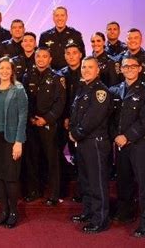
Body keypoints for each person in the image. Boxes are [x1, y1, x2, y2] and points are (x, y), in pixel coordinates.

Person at [109, 56, 145, 238]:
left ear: (139, 69)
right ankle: (126, 213)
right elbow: (111, 119)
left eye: (132, 66)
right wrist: (116, 136)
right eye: (125, 66)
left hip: (139, 143)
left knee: (144, 183)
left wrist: (127, 136)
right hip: (120, 145)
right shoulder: (114, 91)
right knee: (124, 181)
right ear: (121, 69)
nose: (129, 69)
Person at [69, 56, 112, 234]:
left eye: (90, 67)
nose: (86, 70)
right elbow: (75, 114)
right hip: (83, 143)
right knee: (85, 181)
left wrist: (76, 133)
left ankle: (100, 219)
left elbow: (92, 118)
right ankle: (88, 212)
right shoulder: (83, 88)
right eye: (84, 67)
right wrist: (73, 131)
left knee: (97, 182)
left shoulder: (100, 92)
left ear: (97, 70)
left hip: (94, 142)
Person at [0, 57, 28, 228]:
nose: (4, 71)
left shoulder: (18, 90)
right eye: (1, 68)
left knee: (10, 177)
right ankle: (3, 211)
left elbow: (23, 116)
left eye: (7, 68)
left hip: (11, 139)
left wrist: (19, 141)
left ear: (12, 71)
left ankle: (13, 212)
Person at [22, 47, 66, 205]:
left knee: (52, 160)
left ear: (50, 59)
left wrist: (46, 119)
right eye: (38, 56)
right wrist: (31, 119)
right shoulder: (27, 76)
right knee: (32, 159)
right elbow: (24, 99)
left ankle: (54, 194)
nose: (41, 59)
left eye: (44, 56)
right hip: (32, 124)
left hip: (49, 126)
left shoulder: (57, 78)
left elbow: (60, 103)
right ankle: (34, 191)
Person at [59, 42, 84, 198]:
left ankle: (82, 191)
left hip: (83, 123)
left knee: (82, 157)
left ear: (80, 54)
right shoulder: (60, 74)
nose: (71, 56)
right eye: (68, 53)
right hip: (64, 121)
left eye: (74, 52)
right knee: (58, 153)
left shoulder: (88, 71)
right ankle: (65, 185)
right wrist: (65, 117)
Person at [39, 6, 85, 70]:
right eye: (57, 15)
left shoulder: (76, 35)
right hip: (51, 74)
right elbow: (40, 57)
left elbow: (82, 57)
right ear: (53, 18)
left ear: (66, 17)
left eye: (62, 15)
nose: (59, 18)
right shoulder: (44, 36)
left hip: (71, 74)